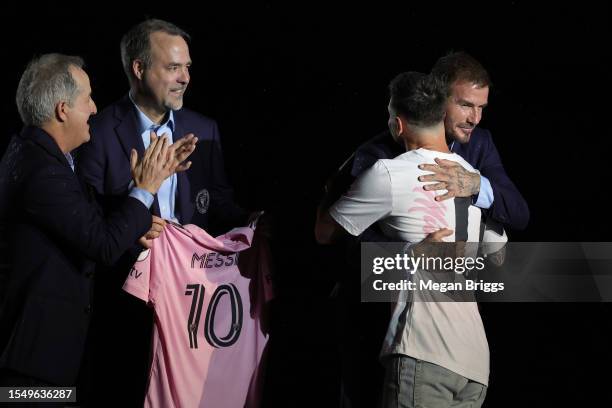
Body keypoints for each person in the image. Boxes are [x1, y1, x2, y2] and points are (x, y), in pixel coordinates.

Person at [76, 19, 252, 405]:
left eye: (187, 67)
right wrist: (131, 222)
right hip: (127, 307)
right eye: (173, 67)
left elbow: (219, 207)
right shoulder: (98, 132)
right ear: (138, 69)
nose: (185, 77)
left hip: (193, 309)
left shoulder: (203, 130)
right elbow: (84, 214)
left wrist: (254, 224)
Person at [0, 53, 196, 393]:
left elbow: (83, 216)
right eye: (87, 99)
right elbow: (102, 243)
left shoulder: (43, 158)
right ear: (63, 110)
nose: (94, 108)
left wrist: (136, 212)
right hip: (31, 365)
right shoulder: (41, 172)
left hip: (48, 358)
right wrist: (145, 188)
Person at [316, 72, 489, 407]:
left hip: (424, 351)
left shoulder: (390, 173)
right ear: (442, 117)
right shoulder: (470, 179)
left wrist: (331, 186)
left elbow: (324, 232)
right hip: (474, 362)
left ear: (398, 125)